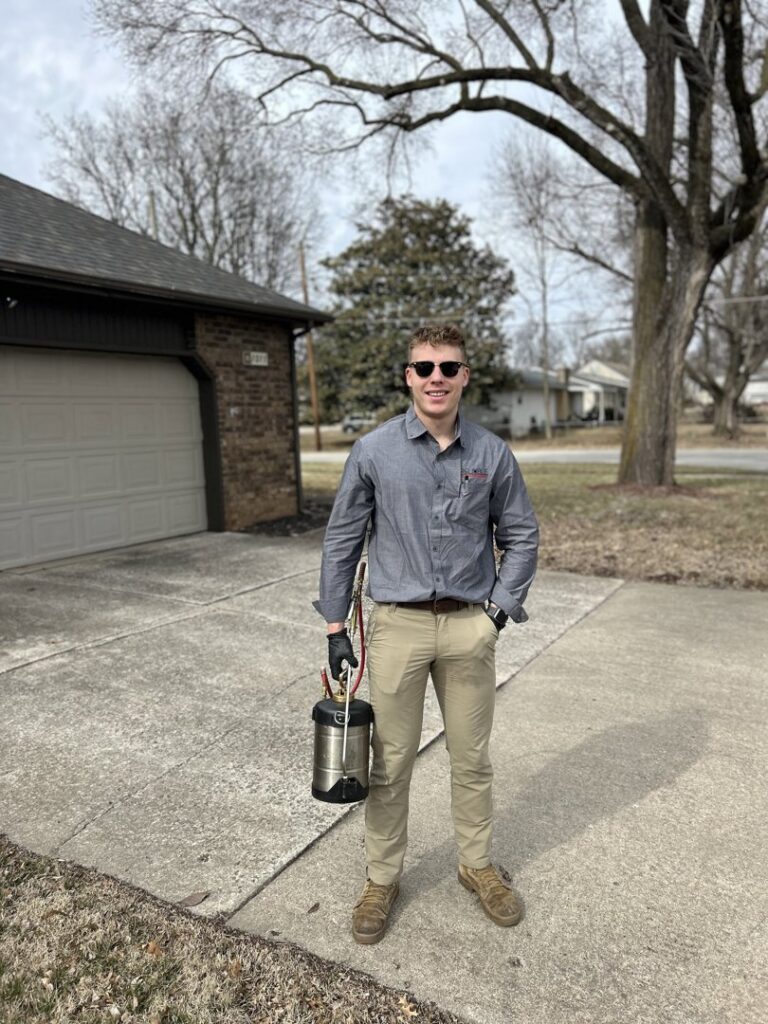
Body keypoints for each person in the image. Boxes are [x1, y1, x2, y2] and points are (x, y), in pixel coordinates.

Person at [314, 323, 539, 944]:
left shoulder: (492, 454)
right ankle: (383, 878)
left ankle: (477, 867)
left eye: (448, 366)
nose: (435, 377)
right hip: (398, 630)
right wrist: (336, 624)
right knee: (388, 766)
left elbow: (522, 536)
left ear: (466, 375)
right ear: (407, 377)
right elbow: (342, 539)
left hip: (470, 628)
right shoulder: (374, 451)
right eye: (423, 367)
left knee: (472, 761)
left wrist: (497, 612)